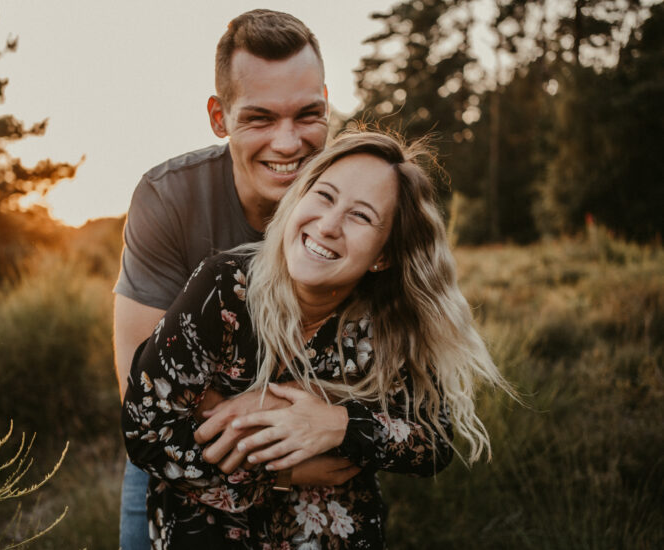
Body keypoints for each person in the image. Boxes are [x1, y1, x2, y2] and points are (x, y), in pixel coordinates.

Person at [123, 130, 512, 549]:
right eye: (324, 196)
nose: (328, 226)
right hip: (209, 533)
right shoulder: (224, 289)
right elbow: (144, 433)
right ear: (298, 200)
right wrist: (282, 471)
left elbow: (433, 444)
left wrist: (338, 424)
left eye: (361, 216)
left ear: (383, 255)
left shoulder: (388, 322)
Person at [114, 10, 356, 549]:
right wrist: (285, 462)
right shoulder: (167, 197)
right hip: (188, 465)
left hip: (326, 478)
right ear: (219, 117)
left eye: (308, 114)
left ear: (326, 101)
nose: (289, 143)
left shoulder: (360, 203)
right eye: (261, 118)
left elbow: (391, 377)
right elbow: (141, 387)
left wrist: (334, 426)